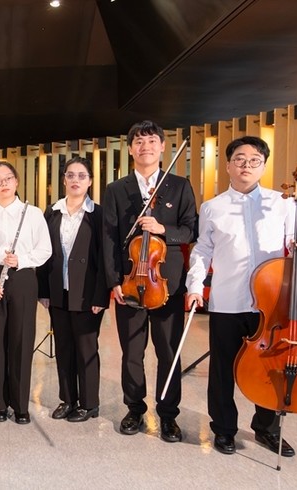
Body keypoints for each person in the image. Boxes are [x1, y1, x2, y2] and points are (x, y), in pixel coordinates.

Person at [186, 136, 297, 456]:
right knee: (222, 370)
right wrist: (195, 286)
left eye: (254, 160)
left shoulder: (283, 202)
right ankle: (223, 429)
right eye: (239, 159)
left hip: (271, 304)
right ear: (228, 165)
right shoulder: (212, 207)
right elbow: (202, 251)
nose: (246, 165)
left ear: (264, 166)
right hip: (228, 300)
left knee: (271, 367)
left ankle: (267, 428)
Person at [102, 120, 196, 443]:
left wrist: (162, 230)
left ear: (162, 147)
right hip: (130, 283)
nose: (146, 147)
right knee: (132, 352)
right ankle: (134, 408)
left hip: (166, 283)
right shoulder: (117, 189)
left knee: (169, 351)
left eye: (152, 141)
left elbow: (190, 230)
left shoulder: (179, 186)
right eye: (139, 142)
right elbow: (109, 238)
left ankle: (168, 415)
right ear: (130, 149)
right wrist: (114, 280)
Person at [0, 161, 51, 424]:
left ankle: (20, 405)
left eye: (8, 178)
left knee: (21, 340)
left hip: (23, 278)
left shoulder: (33, 213)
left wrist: (22, 260)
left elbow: (45, 250)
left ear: (16, 181)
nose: (4, 184)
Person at [37, 156, 109, 423]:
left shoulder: (99, 214)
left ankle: (89, 404)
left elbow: (105, 258)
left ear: (90, 181)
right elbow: (44, 254)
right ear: (64, 180)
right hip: (58, 291)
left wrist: (101, 295)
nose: (75, 180)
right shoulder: (52, 212)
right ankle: (67, 399)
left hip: (87, 294)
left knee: (86, 348)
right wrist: (43, 290)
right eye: (70, 175)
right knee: (64, 347)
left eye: (81, 175)